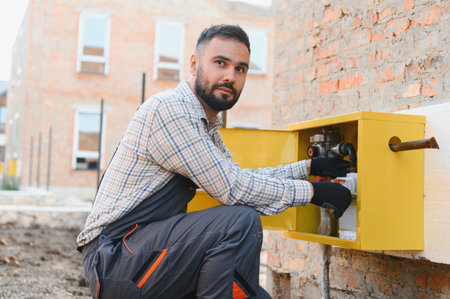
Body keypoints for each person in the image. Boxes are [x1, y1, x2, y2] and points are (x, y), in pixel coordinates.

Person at [77, 24, 352, 299]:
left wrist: (307, 169)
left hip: (143, 255)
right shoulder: (170, 110)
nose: (230, 76)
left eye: (240, 69)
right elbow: (232, 188)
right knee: (239, 221)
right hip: (116, 260)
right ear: (194, 64)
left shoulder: (203, 124)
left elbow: (239, 177)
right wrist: (314, 192)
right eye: (220, 63)